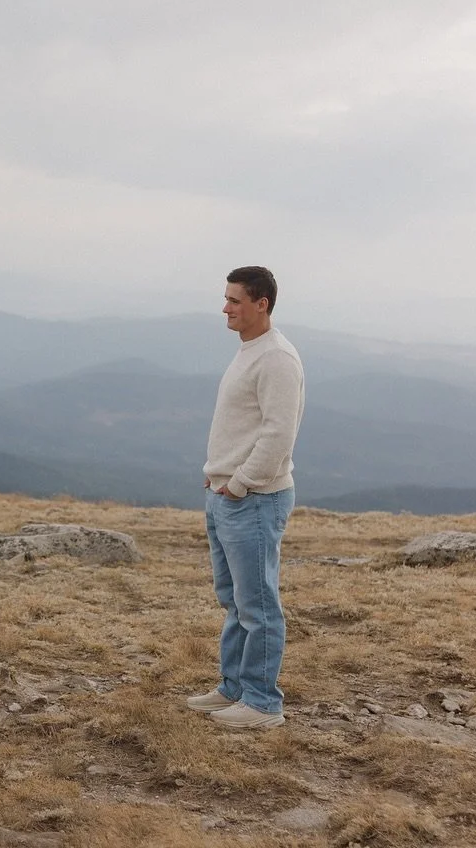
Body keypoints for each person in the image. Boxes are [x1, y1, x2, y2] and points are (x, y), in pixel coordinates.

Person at [187, 266, 305, 729]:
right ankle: (234, 689)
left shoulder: (277, 358)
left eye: (235, 300)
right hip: (228, 493)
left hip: (253, 498)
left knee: (258, 604)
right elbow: (246, 424)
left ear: (262, 304)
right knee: (234, 599)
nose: (226, 308)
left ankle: (262, 704)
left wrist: (238, 483)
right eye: (226, 298)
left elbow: (279, 434)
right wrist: (219, 472)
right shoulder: (250, 351)